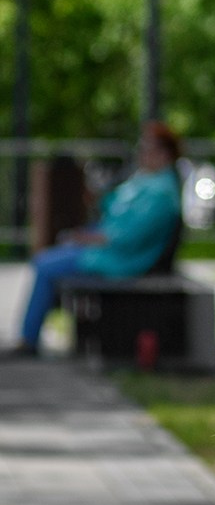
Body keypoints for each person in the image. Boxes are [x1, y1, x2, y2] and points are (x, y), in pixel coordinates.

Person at [7, 122, 183, 356]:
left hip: (123, 259)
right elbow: (112, 214)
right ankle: (33, 334)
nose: (141, 153)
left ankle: (29, 340)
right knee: (51, 257)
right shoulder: (147, 182)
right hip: (110, 252)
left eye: (146, 148)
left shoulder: (160, 193)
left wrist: (87, 238)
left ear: (163, 154)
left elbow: (126, 237)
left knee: (45, 265)